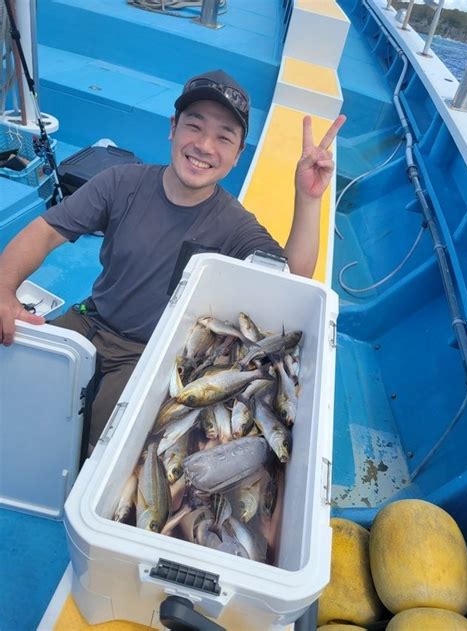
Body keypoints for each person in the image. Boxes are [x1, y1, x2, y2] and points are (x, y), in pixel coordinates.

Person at [0, 69, 345, 447]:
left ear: (236, 156)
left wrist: (309, 198)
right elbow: (45, 231)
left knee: (100, 445)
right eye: (194, 127)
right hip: (90, 320)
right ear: (173, 128)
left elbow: (291, 278)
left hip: (149, 355)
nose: (204, 146)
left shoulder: (235, 226)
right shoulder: (121, 183)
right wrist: (4, 290)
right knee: (14, 393)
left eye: (223, 137)